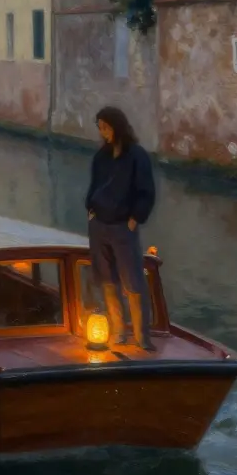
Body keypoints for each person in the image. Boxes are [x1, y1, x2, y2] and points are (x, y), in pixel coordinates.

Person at [85, 106, 157, 351]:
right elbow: (94, 186)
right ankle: (118, 332)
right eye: (100, 128)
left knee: (133, 282)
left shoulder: (137, 156)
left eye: (106, 127)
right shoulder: (101, 157)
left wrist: (135, 218)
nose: (103, 132)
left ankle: (142, 336)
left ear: (117, 127)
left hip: (123, 227)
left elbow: (146, 191)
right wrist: (91, 209)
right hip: (99, 225)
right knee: (107, 281)